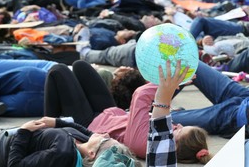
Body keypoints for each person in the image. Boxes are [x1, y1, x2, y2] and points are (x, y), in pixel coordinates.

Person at [44, 60, 212, 163]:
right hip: (111, 113)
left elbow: (140, 96)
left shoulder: (145, 145)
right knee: (81, 66)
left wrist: (173, 82)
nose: (177, 125)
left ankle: (46, 131)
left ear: (173, 146)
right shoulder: (167, 134)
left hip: (89, 124)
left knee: (58, 71)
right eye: (181, 126)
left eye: (179, 130)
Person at [0, 116, 141, 166]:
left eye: (106, 140)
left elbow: (15, 165)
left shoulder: (61, 154)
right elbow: (82, 130)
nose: (106, 135)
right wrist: (57, 122)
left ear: (92, 154)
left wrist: (24, 132)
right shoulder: (86, 142)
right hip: (3, 136)